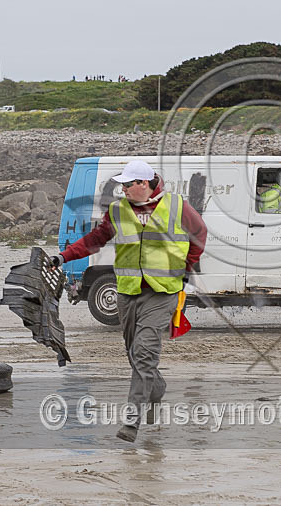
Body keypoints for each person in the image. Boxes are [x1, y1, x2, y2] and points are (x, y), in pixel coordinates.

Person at [51, 160, 207, 443]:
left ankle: (131, 423)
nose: (122, 189)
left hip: (163, 293)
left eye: (127, 184)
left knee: (145, 353)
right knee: (136, 357)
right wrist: (63, 257)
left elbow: (200, 235)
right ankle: (156, 390)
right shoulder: (118, 210)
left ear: (144, 185)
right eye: (121, 184)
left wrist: (187, 266)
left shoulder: (177, 206)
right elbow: (94, 240)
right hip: (128, 293)